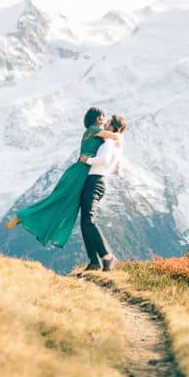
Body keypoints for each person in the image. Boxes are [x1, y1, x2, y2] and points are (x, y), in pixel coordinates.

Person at [4, 106, 122, 249]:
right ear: (97, 118)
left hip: (81, 172)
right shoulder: (93, 130)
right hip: (80, 172)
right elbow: (113, 136)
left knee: (66, 204)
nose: (103, 121)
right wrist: (118, 138)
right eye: (102, 118)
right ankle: (23, 216)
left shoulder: (94, 132)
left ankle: (38, 224)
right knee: (59, 200)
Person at [78, 114, 126, 271]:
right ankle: (93, 262)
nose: (104, 124)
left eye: (108, 122)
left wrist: (87, 160)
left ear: (113, 128)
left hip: (96, 181)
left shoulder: (110, 142)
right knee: (85, 222)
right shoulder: (113, 142)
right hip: (96, 180)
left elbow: (104, 160)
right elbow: (115, 167)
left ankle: (107, 256)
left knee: (89, 221)